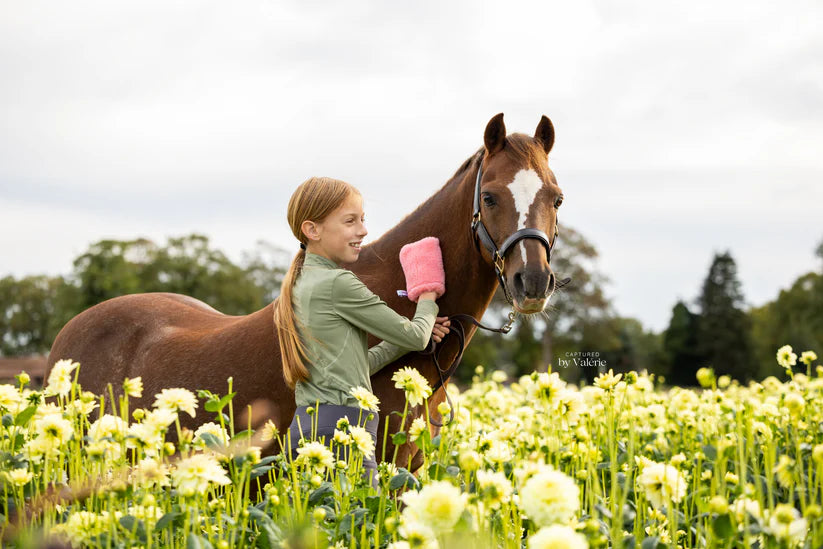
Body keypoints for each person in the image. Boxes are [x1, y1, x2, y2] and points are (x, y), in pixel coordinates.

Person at [274, 176, 450, 486]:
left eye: (363, 219)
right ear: (312, 230)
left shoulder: (304, 282)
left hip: (307, 430)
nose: (363, 231)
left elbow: (357, 366)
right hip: (344, 434)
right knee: (359, 531)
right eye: (350, 221)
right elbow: (416, 336)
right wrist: (427, 297)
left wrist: (410, 334)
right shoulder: (338, 283)